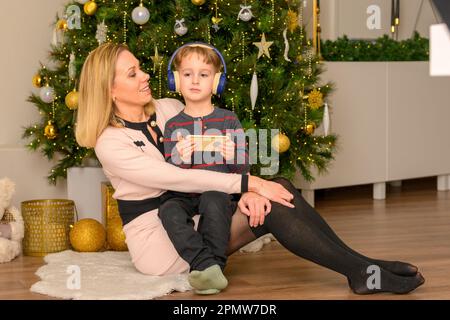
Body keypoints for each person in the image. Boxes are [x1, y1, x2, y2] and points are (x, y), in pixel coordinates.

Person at [76, 42, 425, 295]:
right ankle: (362, 270)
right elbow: (176, 176)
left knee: (281, 187)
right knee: (269, 198)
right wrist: (248, 185)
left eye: (142, 67)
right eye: (133, 72)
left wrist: (244, 194)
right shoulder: (110, 142)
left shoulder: (166, 107)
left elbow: (213, 154)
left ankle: (363, 266)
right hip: (162, 238)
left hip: (201, 208)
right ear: (110, 89)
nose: (146, 75)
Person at [159, 43, 250, 294]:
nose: (195, 80)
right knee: (168, 209)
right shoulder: (172, 125)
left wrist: (234, 155)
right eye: (187, 74)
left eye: (204, 74)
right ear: (176, 80)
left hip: (217, 191)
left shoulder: (229, 119)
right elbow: (171, 173)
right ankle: (205, 264)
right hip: (183, 194)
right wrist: (180, 159)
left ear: (216, 82)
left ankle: (215, 266)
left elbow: (244, 170)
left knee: (213, 199)